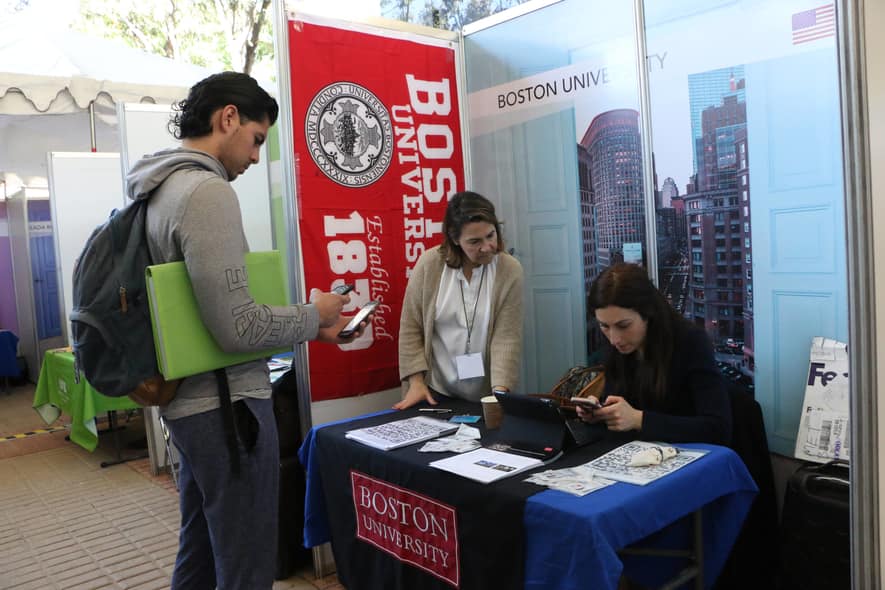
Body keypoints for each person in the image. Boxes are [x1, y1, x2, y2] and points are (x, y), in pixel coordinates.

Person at [126, 72, 365, 590]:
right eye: (257, 139)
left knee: (204, 550)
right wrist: (313, 312)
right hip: (227, 412)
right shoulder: (205, 192)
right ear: (227, 118)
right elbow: (238, 327)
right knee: (247, 563)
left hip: (191, 407)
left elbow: (203, 318)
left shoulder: (158, 187)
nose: (257, 157)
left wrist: (311, 332)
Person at [576, 262, 732, 445]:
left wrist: (639, 419)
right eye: (604, 326)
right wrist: (601, 414)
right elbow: (619, 411)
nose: (614, 339)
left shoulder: (690, 342)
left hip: (685, 457)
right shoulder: (618, 347)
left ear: (648, 313)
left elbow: (718, 429)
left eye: (623, 325)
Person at [396, 191, 523, 409]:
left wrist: (500, 395)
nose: (486, 247)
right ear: (455, 240)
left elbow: (507, 338)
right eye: (474, 241)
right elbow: (411, 327)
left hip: (485, 393)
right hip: (432, 389)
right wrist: (415, 382)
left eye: (490, 235)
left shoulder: (509, 269)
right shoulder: (430, 264)